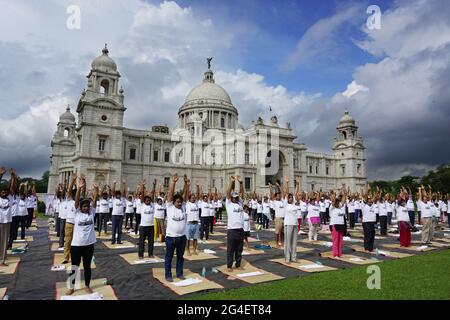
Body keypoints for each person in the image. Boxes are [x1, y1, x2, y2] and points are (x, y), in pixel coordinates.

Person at [66, 178, 98, 296]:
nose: (86, 208)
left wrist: (97, 189)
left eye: (87, 206)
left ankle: (87, 285)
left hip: (89, 245)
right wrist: (79, 188)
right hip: (76, 245)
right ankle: (72, 287)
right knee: (74, 266)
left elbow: (94, 201)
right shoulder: (77, 213)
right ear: (80, 207)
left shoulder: (91, 213)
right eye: (83, 206)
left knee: (87, 266)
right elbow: (75, 202)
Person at [164, 174, 188, 282]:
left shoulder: (183, 207)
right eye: (177, 202)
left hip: (182, 238)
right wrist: (173, 182)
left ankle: (179, 273)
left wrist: (186, 184)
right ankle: (168, 275)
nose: (179, 203)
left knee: (180, 257)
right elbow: (170, 195)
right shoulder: (169, 207)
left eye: (180, 202)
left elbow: (186, 196)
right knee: (169, 257)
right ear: (173, 202)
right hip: (171, 238)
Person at [225, 175, 245, 272]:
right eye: (234, 197)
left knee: (239, 249)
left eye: (237, 197)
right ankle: (229, 265)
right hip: (232, 229)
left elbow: (242, 194)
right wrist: (231, 182)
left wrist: (241, 183)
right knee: (230, 249)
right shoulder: (229, 204)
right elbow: (228, 192)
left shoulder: (240, 203)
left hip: (240, 229)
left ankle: (238, 264)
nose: (236, 199)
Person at [137, 180, 156, 259]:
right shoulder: (142, 205)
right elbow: (142, 196)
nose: (148, 201)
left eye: (149, 200)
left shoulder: (152, 205)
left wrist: (154, 185)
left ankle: (150, 254)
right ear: (144, 201)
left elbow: (153, 194)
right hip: (143, 227)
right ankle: (141, 254)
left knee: (151, 242)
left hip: (151, 226)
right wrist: (142, 186)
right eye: (146, 200)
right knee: (142, 241)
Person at [62, 175, 77, 264]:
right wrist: (72, 181)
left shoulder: (79, 203)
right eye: (74, 194)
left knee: (76, 242)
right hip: (69, 224)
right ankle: (66, 257)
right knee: (67, 241)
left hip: (77, 225)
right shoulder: (69, 200)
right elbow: (69, 191)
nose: (75, 195)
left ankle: (76, 256)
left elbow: (82, 193)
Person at [283, 176, 299, 263]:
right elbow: (286, 192)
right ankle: (287, 258)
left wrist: (297, 184)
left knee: (294, 242)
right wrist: (287, 183)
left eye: (291, 197)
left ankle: (293, 257)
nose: (290, 198)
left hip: (295, 224)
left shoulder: (294, 204)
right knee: (288, 242)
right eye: (289, 197)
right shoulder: (286, 204)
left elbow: (296, 193)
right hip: (288, 224)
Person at [0, 167, 13, 266]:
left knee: (4, 241)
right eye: (2, 191)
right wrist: (1, 175)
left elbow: (12, 187)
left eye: (5, 191)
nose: (4, 192)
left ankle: (2, 260)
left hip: (6, 222)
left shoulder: (10, 198)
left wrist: (12, 176)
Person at [329, 189, 346, 257]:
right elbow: (333, 200)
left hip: (341, 225)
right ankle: (335, 254)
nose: (337, 203)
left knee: (340, 240)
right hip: (334, 225)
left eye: (338, 202)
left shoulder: (340, 207)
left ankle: (339, 253)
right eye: (336, 202)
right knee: (335, 241)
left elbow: (343, 200)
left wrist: (344, 193)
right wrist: (334, 194)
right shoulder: (331, 207)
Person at [186, 178, 200, 256]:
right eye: (192, 197)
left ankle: (194, 249)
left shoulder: (197, 203)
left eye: (194, 198)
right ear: (190, 198)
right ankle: (187, 250)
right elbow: (187, 194)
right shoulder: (188, 203)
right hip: (189, 223)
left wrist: (197, 186)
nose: (194, 198)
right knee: (188, 239)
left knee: (195, 238)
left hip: (196, 223)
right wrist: (188, 185)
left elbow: (198, 195)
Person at [269, 182, 285, 248]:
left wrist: (278, 187)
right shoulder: (274, 202)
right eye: (277, 195)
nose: (279, 196)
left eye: (279, 195)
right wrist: (270, 187)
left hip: (284, 218)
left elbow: (282, 193)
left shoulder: (283, 201)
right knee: (277, 232)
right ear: (275, 197)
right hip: (278, 218)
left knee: (282, 232)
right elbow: (272, 195)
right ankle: (276, 243)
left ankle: (282, 242)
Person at [361, 186, 377, 252]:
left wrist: (377, 192)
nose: (371, 200)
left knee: (372, 235)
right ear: (367, 200)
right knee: (368, 235)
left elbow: (374, 197)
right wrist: (368, 191)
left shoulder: (372, 205)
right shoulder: (364, 205)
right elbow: (365, 197)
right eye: (369, 199)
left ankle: (370, 248)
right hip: (366, 222)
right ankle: (367, 248)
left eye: (371, 199)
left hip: (372, 222)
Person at [111, 180, 126, 245]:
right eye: (117, 194)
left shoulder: (122, 199)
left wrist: (124, 184)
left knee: (119, 229)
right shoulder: (114, 199)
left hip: (120, 216)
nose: (118, 195)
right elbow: (113, 192)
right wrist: (114, 184)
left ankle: (119, 240)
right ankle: (113, 240)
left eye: (119, 194)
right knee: (114, 229)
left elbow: (123, 192)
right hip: (114, 215)